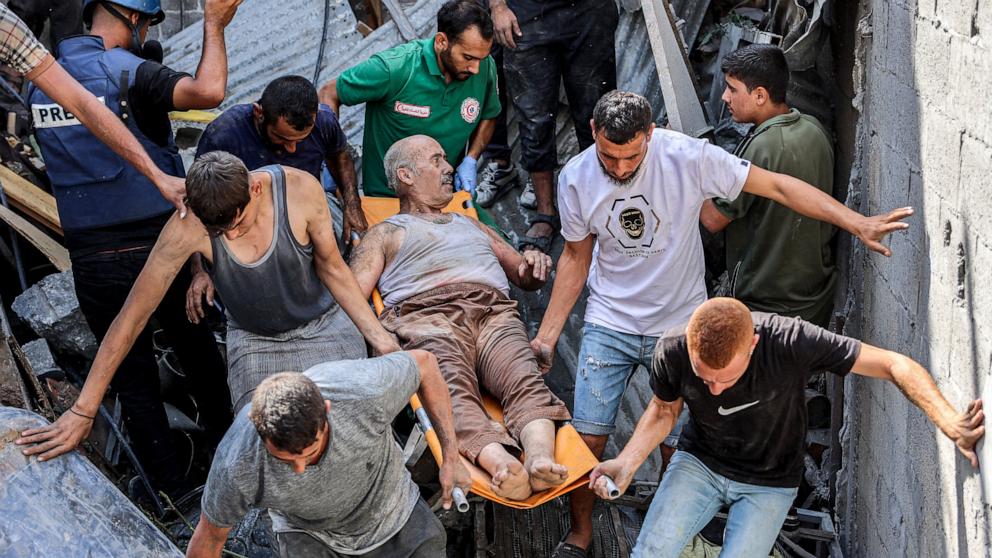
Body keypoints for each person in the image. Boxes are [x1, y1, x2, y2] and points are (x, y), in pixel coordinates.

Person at [532, 91, 912, 557]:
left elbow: (778, 186)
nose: (621, 169)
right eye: (610, 158)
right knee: (587, 437)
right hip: (609, 318)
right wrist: (548, 336)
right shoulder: (575, 178)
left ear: (650, 135)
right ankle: (580, 534)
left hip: (680, 325)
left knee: (676, 444)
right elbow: (575, 256)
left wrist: (854, 222)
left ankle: (683, 536)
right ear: (593, 133)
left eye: (632, 157)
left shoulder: (687, 156)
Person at [17, 152, 402, 463]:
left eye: (239, 224)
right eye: (221, 233)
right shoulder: (187, 227)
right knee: (265, 447)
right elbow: (130, 319)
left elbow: (333, 268)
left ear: (254, 188)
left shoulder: (298, 188)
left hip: (323, 323)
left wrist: (379, 337)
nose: (232, 236)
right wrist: (84, 410)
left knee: (354, 431)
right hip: (257, 341)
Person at [19, 0, 243, 499]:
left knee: (131, 377)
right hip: (158, 242)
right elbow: (209, 91)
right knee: (199, 355)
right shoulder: (130, 71)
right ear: (136, 20)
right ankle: (233, 463)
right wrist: (213, 24)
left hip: (90, 253)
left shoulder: (39, 82)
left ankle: (172, 492)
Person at [589, 298, 985, 556]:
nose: (714, 389)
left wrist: (946, 419)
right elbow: (663, 410)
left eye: (724, 378)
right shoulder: (672, 349)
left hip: (770, 481)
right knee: (650, 550)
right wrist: (625, 463)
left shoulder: (790, 341)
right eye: (703, 377)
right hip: (701, 462)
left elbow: (892, 363)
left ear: (753, 345)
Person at [349, 135, 571, 500]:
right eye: (436, 160)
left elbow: (523, 276)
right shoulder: (385, 232)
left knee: (523, 376)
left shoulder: (470, 223)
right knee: (450, 394)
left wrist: (535, 265)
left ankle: (539, 458)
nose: (449, 167)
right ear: (406, 175)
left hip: (492, 313)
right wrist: (383, 341)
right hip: (428, 319)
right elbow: (353, 297)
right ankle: (500, 463)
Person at [185, 351, 472, 558]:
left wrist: (451, 457)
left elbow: (425, 364)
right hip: (311, 534)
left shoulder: (362, 393)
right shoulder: (238, 463)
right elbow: (208, 539)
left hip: (391, 509)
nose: (299, 470)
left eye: (310, 454)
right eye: (284, 460)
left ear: (328, 412)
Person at [700, 44, 837, 326]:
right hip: (813, 298)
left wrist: (692, 167)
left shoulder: (760, 148)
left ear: (760, 95)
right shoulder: (813, 127)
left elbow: (713, 219)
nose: (725, 97)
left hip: (767, 305)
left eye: (732, 89)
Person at [1, 4, 188, 209]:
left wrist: (158, 177)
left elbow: (82, 104)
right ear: (135, 19)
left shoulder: (7, 27)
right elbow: (208, 91)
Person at [320, 0, 498, 202]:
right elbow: (329, 93)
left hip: (443, 196)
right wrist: (332, 155)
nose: (475, 68)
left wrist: (471, 158)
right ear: (441, 41)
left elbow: (489, 114)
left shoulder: (484, 66)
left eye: (481, 59)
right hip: (388, 199)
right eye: (468, 57)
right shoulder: (394, 69)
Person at [488, 0, 619, 253]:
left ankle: (597, 203)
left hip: (589, 11)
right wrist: (498, 7)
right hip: (524, 12)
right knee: (534, 116)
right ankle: (545, 211)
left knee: (595, 111)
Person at [194, 75, 367, 243]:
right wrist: (198, 269)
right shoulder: (223, 136)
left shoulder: (324, 122)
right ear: (258, 113)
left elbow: (340, 157)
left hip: (304, 207)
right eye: (282, 139)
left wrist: (352, 203)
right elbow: (199, 203)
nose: (292, 149)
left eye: (300, 140)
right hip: (246, 221)